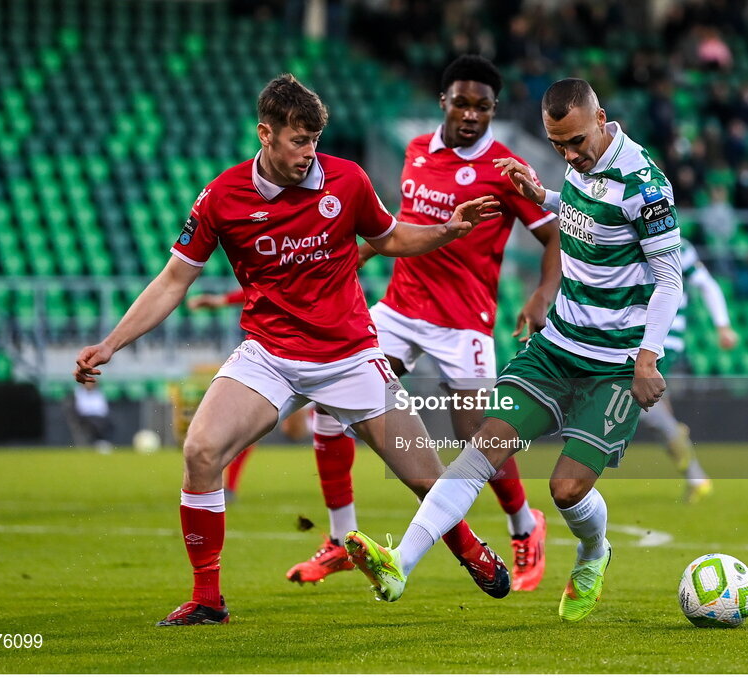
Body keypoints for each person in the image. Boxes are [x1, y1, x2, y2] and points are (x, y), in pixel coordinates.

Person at [74, 74, 509, 626]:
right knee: (200, 452)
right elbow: (172, 281)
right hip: (270, 356)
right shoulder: (222, 197)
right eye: (298, 141)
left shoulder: (346, 181)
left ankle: (470, 546)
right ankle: (208, 598)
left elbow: (390, 238)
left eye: (315, 141)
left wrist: (447, 229)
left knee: (424, 476)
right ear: (265, 134)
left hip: (350, 355)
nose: (310, 153)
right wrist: (111, 343)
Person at [345, 78, 683, 623]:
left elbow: (669, 277)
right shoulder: (580, 164)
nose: (569, 154)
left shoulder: (645, 184)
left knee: (567, 490)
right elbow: (583, 210)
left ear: (602, 118)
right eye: (558, 146)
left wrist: (649, 356)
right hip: (556, 349)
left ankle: (595, 550)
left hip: (614, 366)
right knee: (480, 450)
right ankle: (398, 566)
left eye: (575, 142)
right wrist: (541, 194)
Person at [285, 55, 560, 592]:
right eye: (462, 102)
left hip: (465, 321)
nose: (471, 114)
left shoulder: (505, 168)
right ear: (444, 101)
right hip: (401, 309)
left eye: (483, 106)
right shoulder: (415, 152)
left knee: (478, 437)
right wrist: (365, 251)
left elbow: (553, 238)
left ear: (493, 110)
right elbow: (402, 225)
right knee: (333, 404)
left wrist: (541, 296)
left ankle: (525, 525)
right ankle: (342, 539)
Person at [186, 288, 313, 501]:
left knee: (299, 431)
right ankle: (229, 487)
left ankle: (341, 516)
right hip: (277, 360)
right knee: (250, 427)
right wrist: (220, 300)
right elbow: (259, 289)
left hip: (320, 357)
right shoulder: (285, 274)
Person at [638, 240, 737, 502]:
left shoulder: (675, 245)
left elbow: (706, 284)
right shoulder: (675, 243)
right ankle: (696, 476)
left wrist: (723, 325)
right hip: (650, 338)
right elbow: (706, 284)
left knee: (645, 409)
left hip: (656, 340)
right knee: (653, 411)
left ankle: (688, 459)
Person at [66, 381, 113, 454]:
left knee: (102, 423)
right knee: (94, 423)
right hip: (84, 419)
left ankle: (101, 442)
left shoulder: (99, 394)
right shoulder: (78, 394)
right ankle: (97, 443)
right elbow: (79, 410)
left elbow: (103, 410)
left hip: (98, 419)